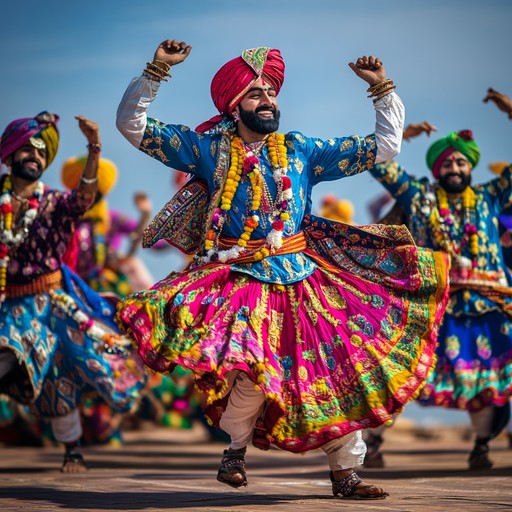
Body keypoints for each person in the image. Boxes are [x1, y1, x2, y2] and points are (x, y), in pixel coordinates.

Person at [115, 38, 449, 500]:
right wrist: (155, 71)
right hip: (240, 278)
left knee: (336, 370)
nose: (267, 99)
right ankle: (234, 451)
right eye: (255, 93)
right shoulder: (207, 149)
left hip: (304, 278)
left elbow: (386, 147)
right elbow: (132, 126)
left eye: (271, 91)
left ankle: (345, 474)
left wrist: (381, 90)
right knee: (253, 371)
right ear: (234, 106)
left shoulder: (302, 150)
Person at [369, 101, 512, 470]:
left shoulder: (488, 196)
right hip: (428, 306)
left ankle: (481, 446)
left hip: (486, 306)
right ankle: (372, 443)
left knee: (490, 382)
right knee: (401, 374)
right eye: (447, 163)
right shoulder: (418, 195)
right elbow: (379, 164)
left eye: (461, 162)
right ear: (437, 168)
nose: (454, 167)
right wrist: (403, 135)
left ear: (470, 166)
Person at [0, 112, 147, 471]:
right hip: (10, 302)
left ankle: (72, 451)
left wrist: (93, 147)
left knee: (59, 379)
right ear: (10, 154)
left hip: (51, 303)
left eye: (40, 152)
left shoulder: (53, 203)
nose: (34, 156)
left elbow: (84, 198)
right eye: (27, 149)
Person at [61, 156, 154, 296]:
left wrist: (145, 216)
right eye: (83, 185)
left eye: (93, 186)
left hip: (107, 287)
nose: (88, 192)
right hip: (70, 284)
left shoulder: (113, 219)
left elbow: (154, 240)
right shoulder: (64, 218)